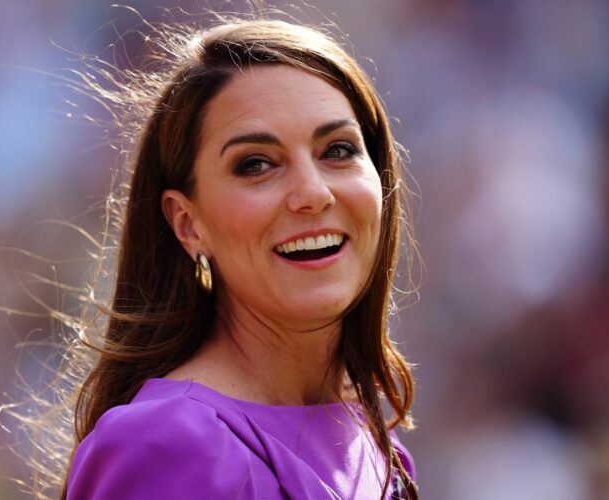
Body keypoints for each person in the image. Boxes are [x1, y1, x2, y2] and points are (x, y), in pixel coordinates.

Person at [42, 16, 418, 500]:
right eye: (256, 165)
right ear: (187, 223)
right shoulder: (167, 444)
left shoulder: (369, 436)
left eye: (338, 150)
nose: (313, 193)